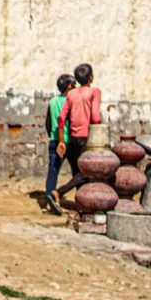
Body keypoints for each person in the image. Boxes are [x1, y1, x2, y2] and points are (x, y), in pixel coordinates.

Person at [49, 63, 102, 211]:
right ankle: (60, 192)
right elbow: (96, 118)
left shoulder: (71, 94)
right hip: (88, 139)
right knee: (87, 172)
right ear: (91, 77)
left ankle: (81, 204)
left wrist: (61, 141)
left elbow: (61, 118)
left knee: (79, 172)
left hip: (73, 138)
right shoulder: (95, 92)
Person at [43, 73, 74, 214]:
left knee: (53, 171)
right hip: (71, 142)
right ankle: (82, 200)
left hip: (56, 141)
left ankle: (49, 200)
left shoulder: (52, 102)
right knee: (78, 173)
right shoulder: (72, 100)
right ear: (69, 86)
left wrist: (53, 136)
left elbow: (48, 123)